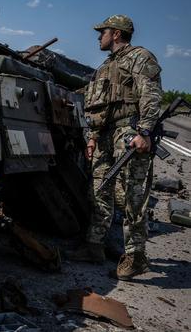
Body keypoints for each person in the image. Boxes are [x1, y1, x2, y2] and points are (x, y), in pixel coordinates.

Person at [69, 15, 163, 280]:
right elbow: (100, 107)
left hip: (130, 132)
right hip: (106, 136)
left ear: (117, 34)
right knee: (99, 189)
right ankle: (94, 246)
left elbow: (151, 95)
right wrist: (93, 137)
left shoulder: (140, 57)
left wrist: (145, 131)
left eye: (103, 32)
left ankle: (135, 257)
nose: (99, 37)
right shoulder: (106, 66)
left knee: (134, 194)